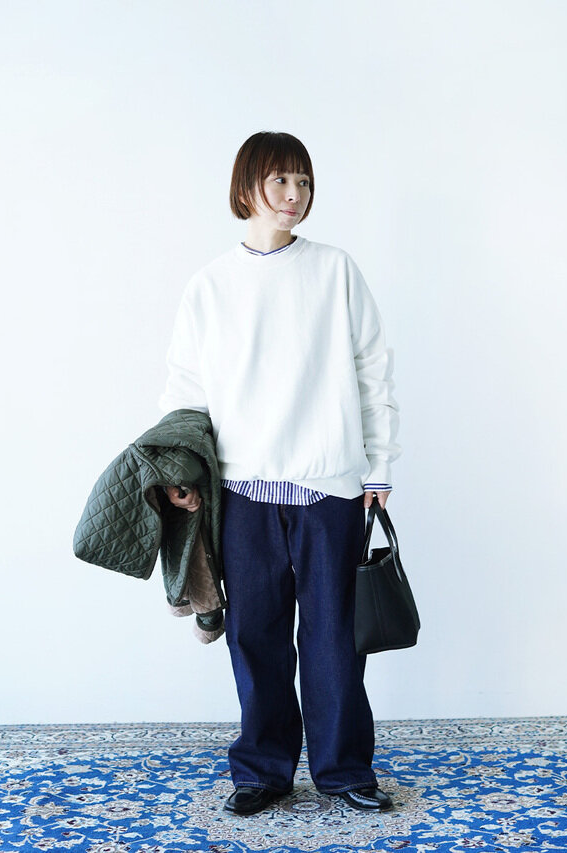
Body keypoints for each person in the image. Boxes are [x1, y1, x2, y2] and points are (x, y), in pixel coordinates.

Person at [159, 131, 401, 815]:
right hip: (242, 492)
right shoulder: (210, 284)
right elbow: (184, 391)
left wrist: (379, 465)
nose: (295, 195)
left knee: (334, 638)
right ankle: (262, 771)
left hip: (329, 485)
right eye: (280, 181)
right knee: (254, 635)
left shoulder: (335, 270)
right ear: (247, 187)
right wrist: (182, 476)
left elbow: (373, 370)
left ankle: (344, 770)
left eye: (304, 182)